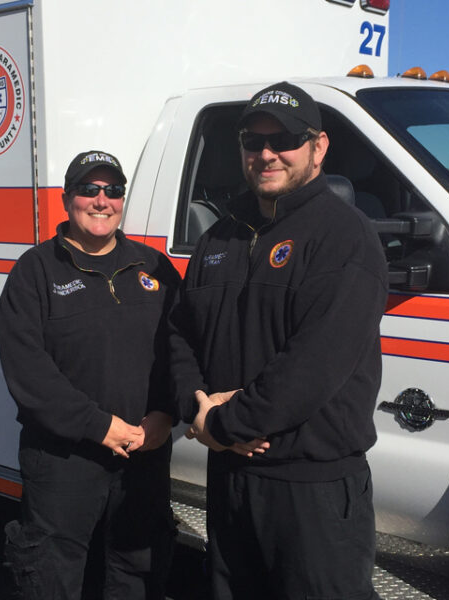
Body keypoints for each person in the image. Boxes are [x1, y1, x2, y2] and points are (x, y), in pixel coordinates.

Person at [169, 82, 388, 599]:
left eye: (284, 139)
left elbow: (312, 367)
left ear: (319, 147)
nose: (266, 153)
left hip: (310, 489)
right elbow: (180, 335)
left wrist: (223, 423)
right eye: (252, 140)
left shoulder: (344, 237)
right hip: (229, 480)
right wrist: (196, 406)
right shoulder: (218, 238)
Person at [0, 150, 180, 600]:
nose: (102, 200)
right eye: (88, 189)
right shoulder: (35, 272)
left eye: (112, 190)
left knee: (138, 568)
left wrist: (166, 413)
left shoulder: (153, 268)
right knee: (51, 574)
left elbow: (181, 349)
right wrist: (99, 426)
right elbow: (28, 372)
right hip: (65, 455)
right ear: (66, 199)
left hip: (144, 447)